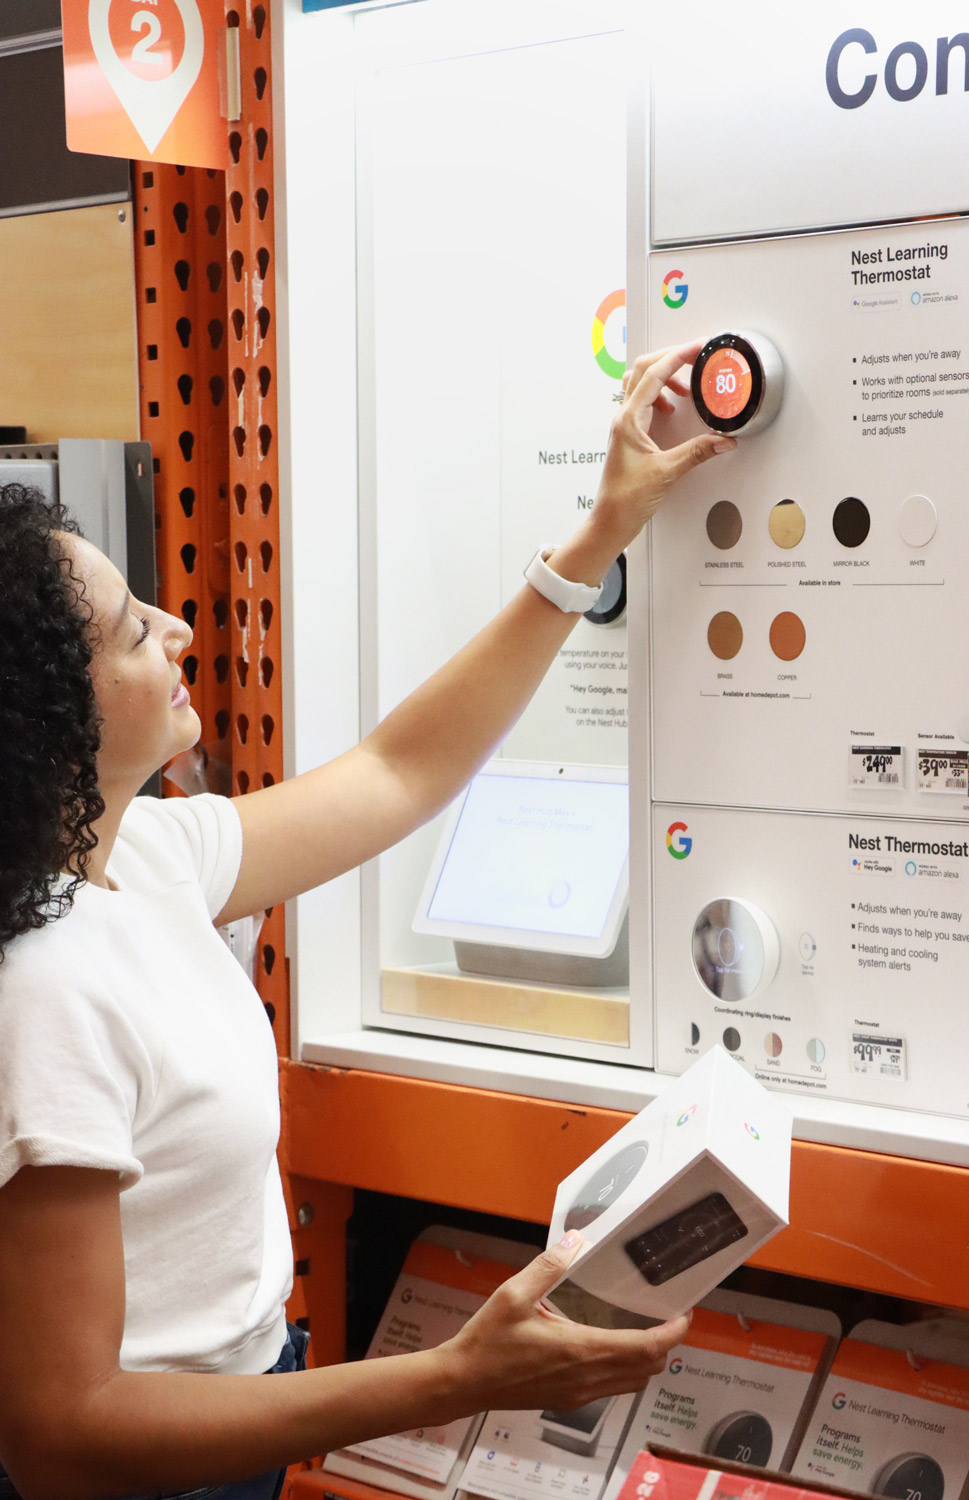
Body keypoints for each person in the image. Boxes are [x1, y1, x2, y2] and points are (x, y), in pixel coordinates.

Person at [0, 343, 735, 1500]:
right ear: (45, 711)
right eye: (135, 632)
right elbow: (64, 1429)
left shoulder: (145, 857)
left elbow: (401, 770)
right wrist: (454, 1376)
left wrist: (594, 541)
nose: (179, 630)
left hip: (241, 1407)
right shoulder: (39, 989)